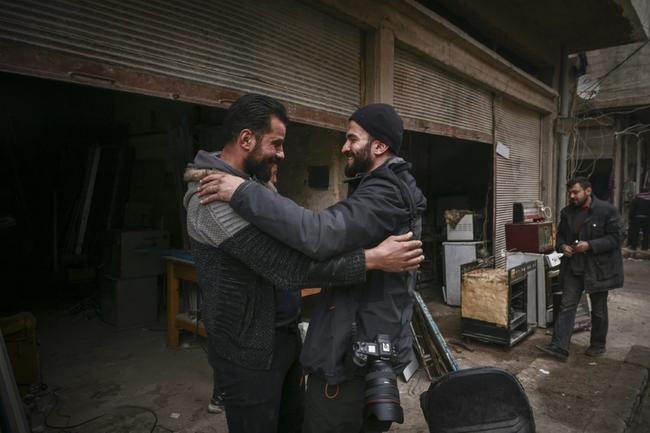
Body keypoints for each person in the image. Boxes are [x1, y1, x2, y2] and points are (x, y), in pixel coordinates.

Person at [184, 94, 424, 433]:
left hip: (283, 338)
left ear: (380, 146)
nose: (283, 154)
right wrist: (370, 259)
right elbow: (289, 266)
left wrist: (254, 191)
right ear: (246, 140)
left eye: (351, 138)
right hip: (247, 350)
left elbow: (303, 238)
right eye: (277, 144)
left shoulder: (251, 186)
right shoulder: (211, 197)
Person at [537, 176, 624, 361]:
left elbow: (617, 238)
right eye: (570, 193)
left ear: (588, 191)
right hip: (574, 268)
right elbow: (559, 236)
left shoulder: (607, 211)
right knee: (567, 306)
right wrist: (563, 247)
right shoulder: (567, 212)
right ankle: (559, 346)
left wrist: (591, 245)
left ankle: (598, 345)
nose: (572, 196)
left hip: (598, 270)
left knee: (599, 309)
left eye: (576, 192)